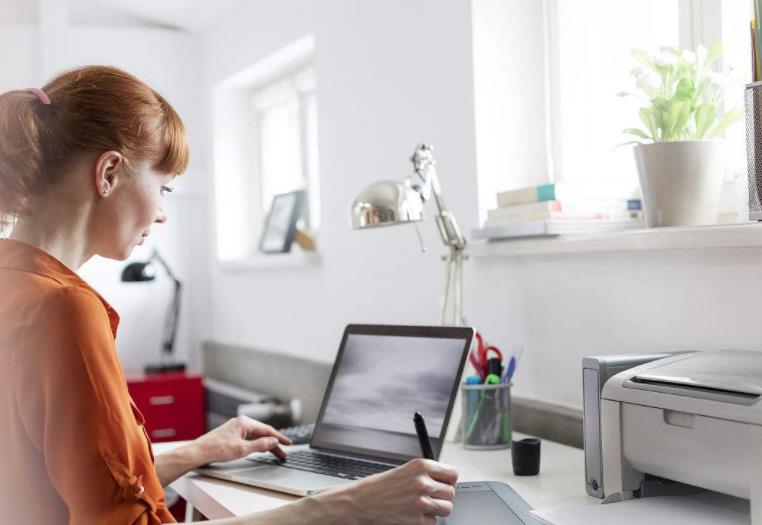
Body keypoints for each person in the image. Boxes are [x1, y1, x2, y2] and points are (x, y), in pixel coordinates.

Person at [0, 65, 458, 525]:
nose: (161, 214)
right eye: (164, 187)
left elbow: (66, 491)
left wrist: (198, 451)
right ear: (109, 172)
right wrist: (345, 506)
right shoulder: (65, 308)